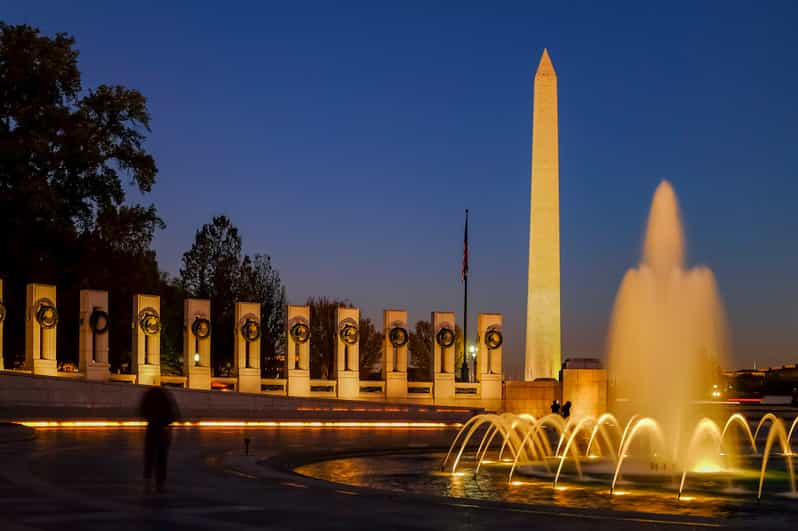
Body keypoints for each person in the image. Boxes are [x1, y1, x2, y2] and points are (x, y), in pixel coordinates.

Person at [139, 386, 180, 494]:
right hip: (163, 429)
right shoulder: (166, 397)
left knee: (150, 456)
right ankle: (160, 485)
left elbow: (142, 411)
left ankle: (147, 483)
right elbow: (174, 412)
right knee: (161, 458)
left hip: (152, 428)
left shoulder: (149, 396)